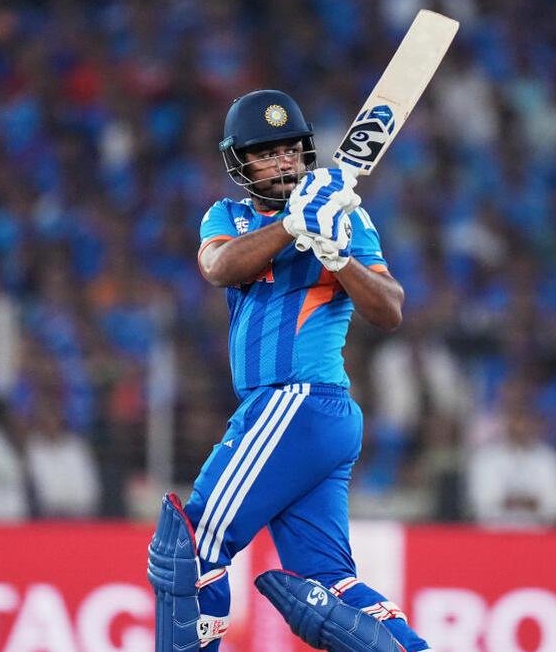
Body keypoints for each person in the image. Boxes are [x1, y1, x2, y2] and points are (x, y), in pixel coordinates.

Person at [147, 90, 430, 652]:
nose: (284, 161)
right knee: (328, 582)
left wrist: (337, 256)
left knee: (191, 549)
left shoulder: (346, 218)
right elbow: (219, 266)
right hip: (304, 418)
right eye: (266, 152)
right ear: (240, 163)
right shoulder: (227, 216)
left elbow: (390, 309)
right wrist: (294, 225)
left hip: (296, 400)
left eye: (291, 150)